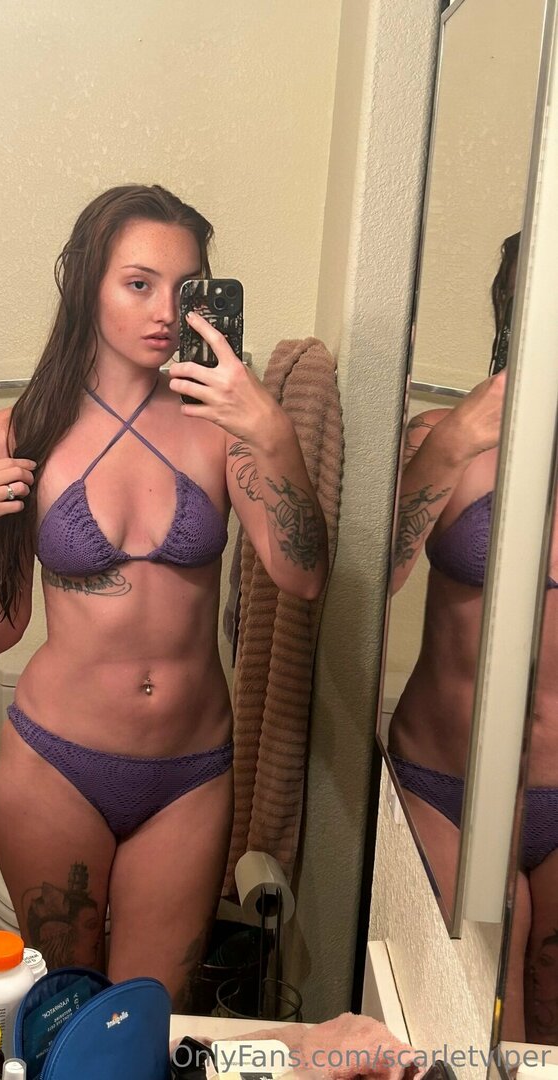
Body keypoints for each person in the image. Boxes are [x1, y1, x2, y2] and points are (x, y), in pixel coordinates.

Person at [0, 184, 328, 1007]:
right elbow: (2, 628)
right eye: (138, 283)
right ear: (88, 286)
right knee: (63, 1009)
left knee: (147, 1014)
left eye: (183, 287)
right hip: (55, 767)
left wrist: (273, 431)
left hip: (190, 774)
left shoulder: (223, 425)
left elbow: (303, 574)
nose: (163, 311)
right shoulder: (23, 431)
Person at [389, 232, 558, 1044]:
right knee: (476, 1029)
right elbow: (372, 582)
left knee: (546, 1036)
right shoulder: (441, 435)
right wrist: (456, 439)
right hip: (446, 783)